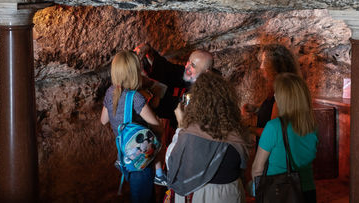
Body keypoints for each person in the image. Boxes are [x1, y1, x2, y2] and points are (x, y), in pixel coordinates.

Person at [165, 71, 249, 203]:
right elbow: (243, 167)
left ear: (196, 103)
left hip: (201, 196)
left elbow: (172, 163)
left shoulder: (189, 136)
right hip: (229, 195)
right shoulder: (238, 134)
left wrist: (180, 127)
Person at [100, 51, 163, 203]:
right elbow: (157, 126)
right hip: (141, 161)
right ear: (134, 72)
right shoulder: (135, 97)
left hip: (124, 158)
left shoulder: (110, 92)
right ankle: (161, 176)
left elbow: (103, 120)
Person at [251, 73, 318, 203]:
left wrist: (257, 191)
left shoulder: (274, 127)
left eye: (277, 93)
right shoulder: (312, 125)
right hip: (308, 191)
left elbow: (257, 168)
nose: (275, 96)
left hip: (279, 190)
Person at [242, 43, 300, 137]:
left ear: (275, 65)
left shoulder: (283, 94)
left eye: (264, 61)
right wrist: (256, 109)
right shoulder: (279, 89)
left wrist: (248, 128)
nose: (261, 66)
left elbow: (274, 134)